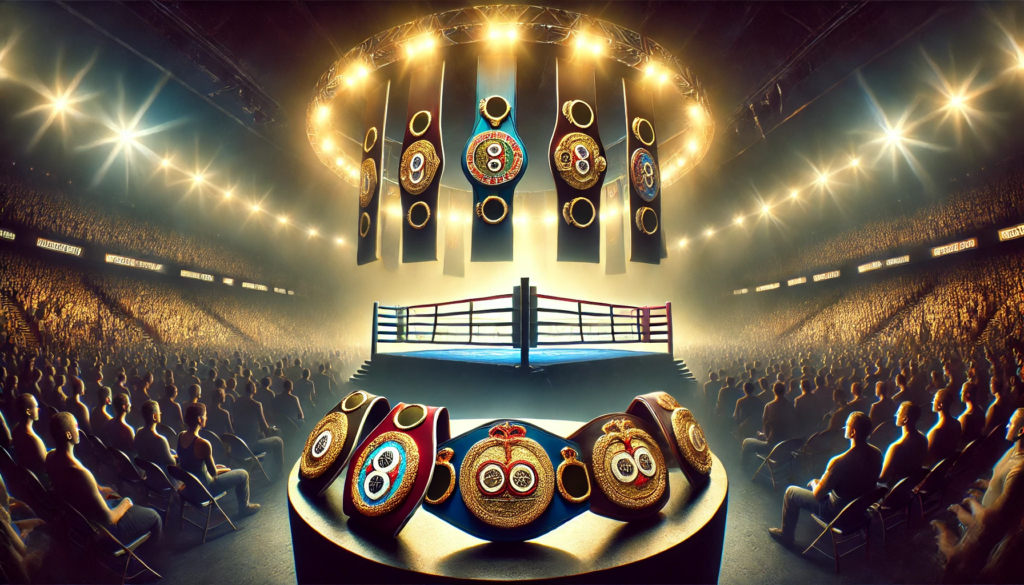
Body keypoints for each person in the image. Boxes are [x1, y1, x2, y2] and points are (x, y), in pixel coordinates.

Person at [45, 412, 162, 546]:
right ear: (69, 434)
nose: (78, 430)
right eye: (76, 426)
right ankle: (155, 557)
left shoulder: (50, 457)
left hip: (77, 522)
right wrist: (126, 503)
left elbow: (74, 487)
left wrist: (98, 489)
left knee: (113, 494)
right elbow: (109, 518)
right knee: (154, 516)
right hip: (101, 530)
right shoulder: (81, 472)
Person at [768, 412, 882, 546]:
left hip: (838, 514)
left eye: (847, 425)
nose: (844, 427)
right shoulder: (877, 453)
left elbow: (818, 495)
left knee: (791, 492)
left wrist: (815, 483)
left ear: (853, 432)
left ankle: (786, 535)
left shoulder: (839, 461)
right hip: (859, 512)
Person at [177, 404, 259, 518]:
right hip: (205, 489)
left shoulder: (181, 436)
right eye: (205, 416)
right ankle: (244, 508)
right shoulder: (203, 443)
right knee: (243, 474)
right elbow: (213, 474)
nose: (207, 418)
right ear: (200, 419)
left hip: (190, 489)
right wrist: (221, 470)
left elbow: (192, 463)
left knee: (223, 468)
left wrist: (218, 468)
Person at [233, 381, 284, 478]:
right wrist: (272, 430)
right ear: (253, 389)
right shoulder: (256, 404)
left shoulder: (236, 402)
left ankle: (265, 466)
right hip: (252, 445)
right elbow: (264, 427)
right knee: (278, 441)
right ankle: (279, 473)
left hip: (238, 445)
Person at [741, 382, 796, 463]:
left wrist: (764, 435)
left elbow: (765, 427)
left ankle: (745, 468)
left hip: (773, 446)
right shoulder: (790, 405)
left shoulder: (769, 406)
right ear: (784, 391)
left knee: (747, 442)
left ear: (774, 391)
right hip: (788, 444)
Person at [879, 402, 928, 488]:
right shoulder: (923, 438)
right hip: (911, 485)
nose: (895, 415)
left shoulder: (897, 447)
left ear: (905, 419)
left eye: (898, 413)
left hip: (896, 490)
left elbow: (883, 479)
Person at [11, 395, 48, 480]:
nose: (38, 409)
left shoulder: (16, 430)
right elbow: (46, 468)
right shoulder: (33, 440)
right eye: (36, 406)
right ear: (28, 411)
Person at [134, 401, 176, 470]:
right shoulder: (160, 439)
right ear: (154, 416)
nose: (160, 413)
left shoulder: (139, 432)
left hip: (148, 473)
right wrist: (174, 457)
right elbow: (172, 462)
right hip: (161, 476)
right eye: (159, 412)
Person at [927, 388, 963, 466]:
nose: (932, 401)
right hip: (948, 465)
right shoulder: (957, 423)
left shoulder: (935, 431)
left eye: (934, 399)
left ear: (940, 405)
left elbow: (927, 459)